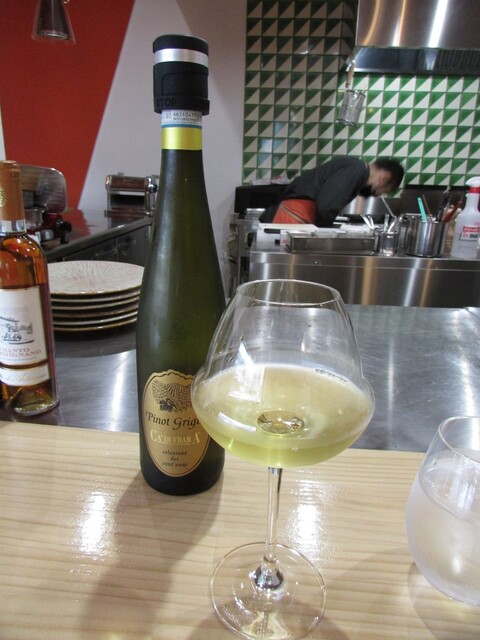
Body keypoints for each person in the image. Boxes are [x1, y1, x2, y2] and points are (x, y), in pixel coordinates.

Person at [260, 156, 404, 227]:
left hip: (296, 216)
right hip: (295, 217)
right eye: (385, 190)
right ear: (385, 177)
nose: (379, 194)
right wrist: (326, 233)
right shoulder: (357, 170)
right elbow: (326, 205)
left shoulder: (356, 168)